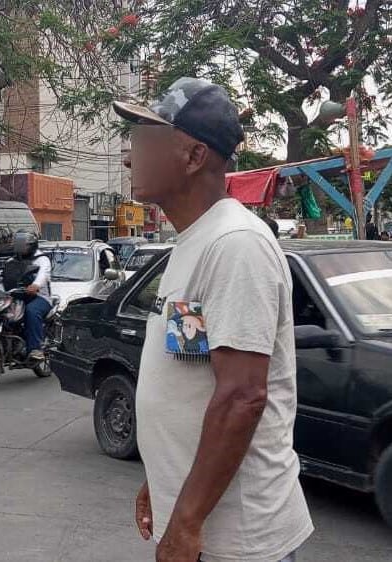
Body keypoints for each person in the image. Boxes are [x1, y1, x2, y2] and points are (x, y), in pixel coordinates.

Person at [114, 77, 311, 562]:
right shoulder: (195, 241)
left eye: (145, 140)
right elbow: (192, 366)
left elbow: (242, 397)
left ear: (194, 156)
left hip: (239, 540)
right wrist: (161, 481)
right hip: (204, 522)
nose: (128, 155)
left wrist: (184, 521)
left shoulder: (235, 245)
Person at [0, 231, 52, 361]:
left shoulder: (42, 260)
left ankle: (35, 349)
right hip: (16, 296)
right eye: (19, 246)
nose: (21, 249)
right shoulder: (12, 261)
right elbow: (0, 274)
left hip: (39, 297)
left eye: (24, 246)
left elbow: (43, 274)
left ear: (32, 245)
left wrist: (35, 285)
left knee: (31, 311)